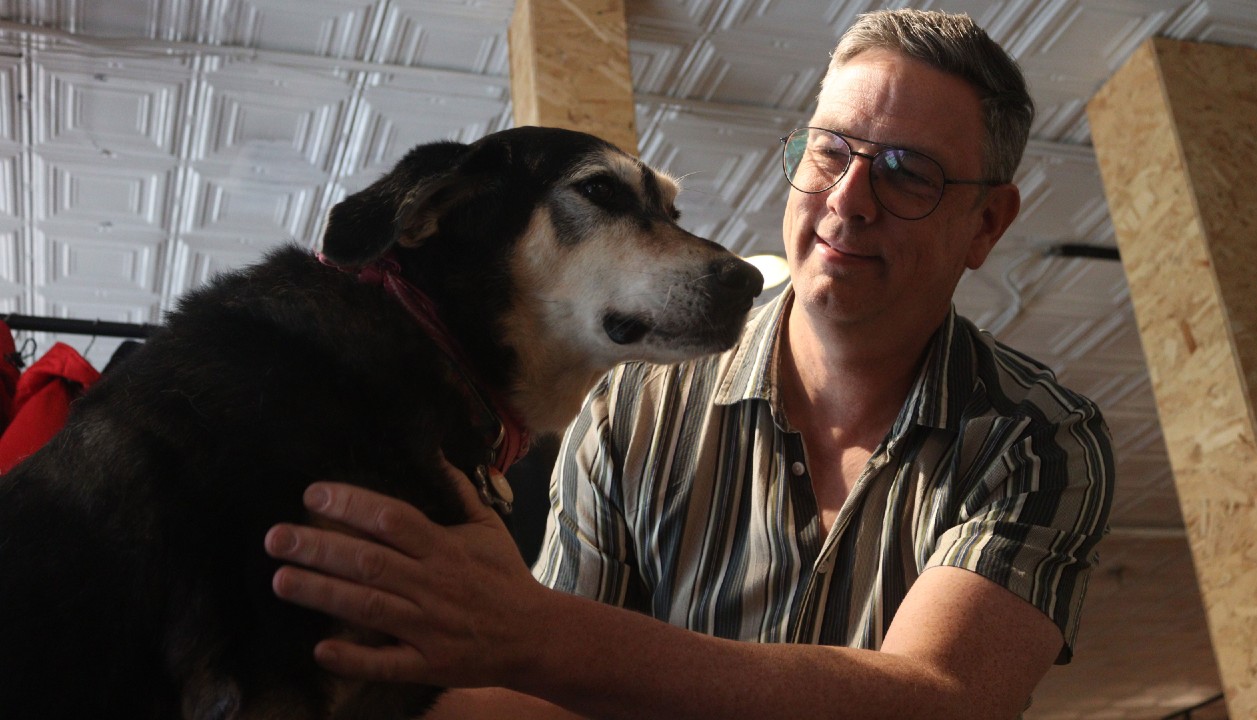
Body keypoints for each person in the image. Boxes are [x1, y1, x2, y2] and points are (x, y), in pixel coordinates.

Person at [264, 8, 1114, 719]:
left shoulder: (1040, 441)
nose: (848, 200)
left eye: (908, 172)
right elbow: (557, 702)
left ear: (987, 224)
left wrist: (534, 633)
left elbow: (945, 700)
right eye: (830, 149)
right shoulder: (629, 405)